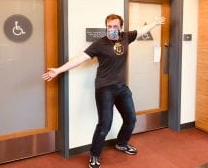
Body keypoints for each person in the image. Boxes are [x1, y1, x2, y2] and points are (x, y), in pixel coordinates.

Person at [42, 14, 165, 168]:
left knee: (131, 119)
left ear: (120, 27)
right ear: (106, 26)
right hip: (104, 88)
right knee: (105, 124)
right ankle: (94, 154)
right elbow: (80, 58)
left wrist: (154, 22)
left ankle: (121, 143)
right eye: (109, 26)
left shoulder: (126, 37)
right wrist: (58, 70)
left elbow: (141, 30)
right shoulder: (99, 44)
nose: (112, 29)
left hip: (122, 88)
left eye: (115, 26)